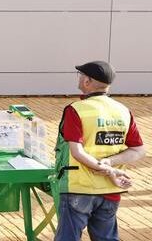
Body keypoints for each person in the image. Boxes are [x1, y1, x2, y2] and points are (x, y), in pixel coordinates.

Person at [54, 61, 145, 241]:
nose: (79, 79)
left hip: (79, 186)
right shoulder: (123, 111)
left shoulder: (76, 110)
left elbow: (76, 151)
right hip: (110, 189)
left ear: (87, 81)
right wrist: (110, 164)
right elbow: (139, 150)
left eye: (80, 75)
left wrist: (105, 167)